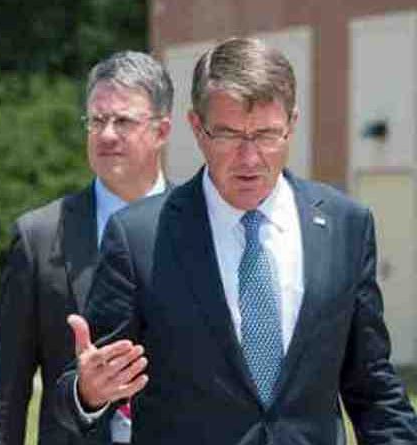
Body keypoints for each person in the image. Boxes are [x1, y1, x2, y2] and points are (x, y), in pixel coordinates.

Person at [55, 37, 417, 443]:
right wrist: (87, 392)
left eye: (266, 135)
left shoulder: (345, 226)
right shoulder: (139, 236)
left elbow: (373, 387)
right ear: (196, 128)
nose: (249, 159)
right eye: (228, 135)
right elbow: (89, 382)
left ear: (291, 124)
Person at [0, 51, 173, 445]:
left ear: (162, 130)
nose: (106, 135)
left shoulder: (201, 227)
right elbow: (8, 390)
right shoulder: (38, 237)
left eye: (123, 121)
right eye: (96, 120)